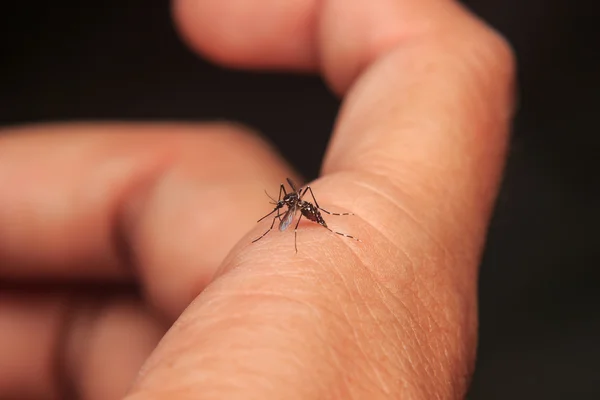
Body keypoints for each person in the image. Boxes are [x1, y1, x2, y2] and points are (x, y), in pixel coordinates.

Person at [0, 0, 515, 398]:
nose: (288, 207)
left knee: (304, 205)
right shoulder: (287, 206)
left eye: (289, 207)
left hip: (313, 218)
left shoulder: (299, 207)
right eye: (288, 208)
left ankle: (325, 223)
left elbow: (297, 208)